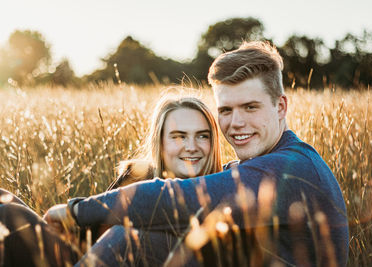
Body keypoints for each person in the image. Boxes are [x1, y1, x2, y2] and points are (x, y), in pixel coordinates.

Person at [45, 41, 349, 267]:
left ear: (280, 106)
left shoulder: (293, 168)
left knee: (134, 240)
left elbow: (180, 199)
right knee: (11, 213)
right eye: (226, 110)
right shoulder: (256, 166)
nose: (236, 122)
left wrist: (76, 212)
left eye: (250, 107)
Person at [0, 95, 222, 266]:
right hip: (85, 257)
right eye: (179, 136)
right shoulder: (138, 175)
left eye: (203, 136)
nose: (192, 146)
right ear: (160, 142)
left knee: (9, 215)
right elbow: (92, 235)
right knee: (4, 201)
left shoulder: (223, 187)